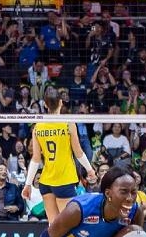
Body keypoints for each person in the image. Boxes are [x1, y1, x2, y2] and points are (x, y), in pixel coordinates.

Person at [23, 88, 96, 221]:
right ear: (61, 102)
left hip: (46, 181)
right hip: (64, 180)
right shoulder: (68, 123)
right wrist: (90, 170)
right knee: (69, 225)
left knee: (54, 226)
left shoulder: (38, 126)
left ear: (45, 104)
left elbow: (35, 158)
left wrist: (28, 184)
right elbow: (78, 152)